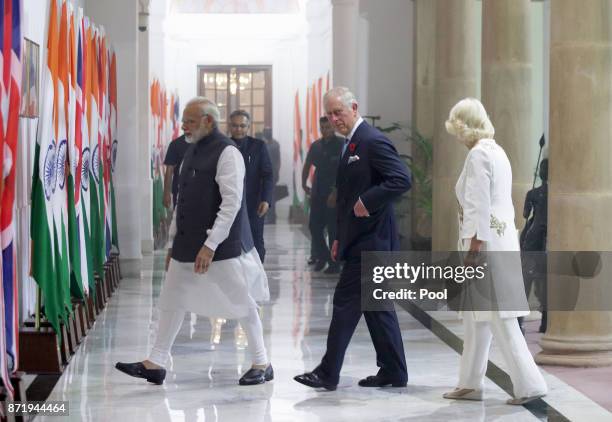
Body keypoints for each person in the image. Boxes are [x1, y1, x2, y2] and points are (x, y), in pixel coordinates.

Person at [115, 97, 273, 386]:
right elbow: (182, 200)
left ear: (207, 121)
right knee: (171, 300)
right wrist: (174, 244)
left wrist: (210, 245)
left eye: (189, 120)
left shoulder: (228, 153)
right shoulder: (190, 150)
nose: (183, 125)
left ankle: (262, 361)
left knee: (241, 302)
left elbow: (231, 204)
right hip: (187, 245)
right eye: (184, 120)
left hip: (221, 248)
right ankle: (156, 362)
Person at [294, 87, 411, 391]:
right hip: (360, 239)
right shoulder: (352, 143)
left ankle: (328, 372)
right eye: (330, 114)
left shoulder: (372, 140)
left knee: (346, 303)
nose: (334, 119)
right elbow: (345, 197)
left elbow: (401, 179)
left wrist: (369, 200)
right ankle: (394, 371)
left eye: (339, 112)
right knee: (377, 307)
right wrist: (339, 238)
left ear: (354, 108)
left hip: (373, 241)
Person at [443, 97, 547, 405]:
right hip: (499, 243)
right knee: (477, 320)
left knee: (499, 318)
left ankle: (530, 385)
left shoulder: (477, 155)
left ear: (464, 127)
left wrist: (473, 249)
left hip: (484, 248)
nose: (457, 137)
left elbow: (478, 204)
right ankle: (470, 382)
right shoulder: (497, 151)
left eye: (456, 130)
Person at [229, 110, 274, 262]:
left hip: (254, 204)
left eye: (242, 126)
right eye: (235, 126)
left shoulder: (258, 146)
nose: (239, 129)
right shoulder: (223, 146)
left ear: (248, 127)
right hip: (229, 204)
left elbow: (267, 175)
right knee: (230, 241)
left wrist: (266, 200)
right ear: (230, 127)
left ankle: (258, 275)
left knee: (256, 240)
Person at [302, 116, 343, 273]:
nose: (325, 130)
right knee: (314, 227)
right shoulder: (316, 146)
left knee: (333, 230)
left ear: (333, 127)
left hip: (333, 195)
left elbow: (344, 171)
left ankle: (334, 263)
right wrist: (303, 183)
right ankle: (323, 256)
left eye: (328, 127)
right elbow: (307, 165)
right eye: (323, 128)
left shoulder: (341, 144)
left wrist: (335, 192)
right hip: (317, 193)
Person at [519, 158, 548, 334]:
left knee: (525, 281)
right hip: (548, 239)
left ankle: (519, 321)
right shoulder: (557, 193)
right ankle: (545, 323)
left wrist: (530, 202)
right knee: (546, 283)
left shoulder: (532, 193)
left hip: (533, 239)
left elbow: (525, 214)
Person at [163, 134, 190, 209]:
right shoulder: (175, 144)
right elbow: (169, 170)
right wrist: (166, 193)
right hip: (180, 191)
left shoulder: (204, 143)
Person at [262, 127, 281, 224]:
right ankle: (267, 216)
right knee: (265, 195)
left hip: (271, 174)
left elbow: (278, 160)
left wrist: (277, 173)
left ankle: (271, 217)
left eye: (268, 132)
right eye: (266, 132)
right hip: (264, 173)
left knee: (271, 196)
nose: (267, 133)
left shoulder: (275, 144)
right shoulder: (262, 144)